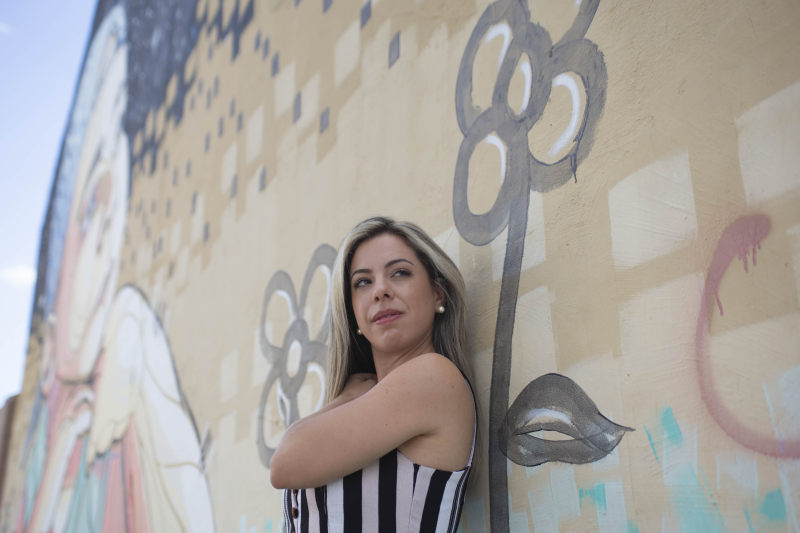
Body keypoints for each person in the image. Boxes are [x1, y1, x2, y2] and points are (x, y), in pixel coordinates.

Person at [270, 217, 477, 532]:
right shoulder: (365, 402)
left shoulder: (433, 378)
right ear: (353, 311)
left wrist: (351, 395)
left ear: (438, 294)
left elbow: (284, 463)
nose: (380, 290)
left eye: (400, 273)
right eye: (363, 282)